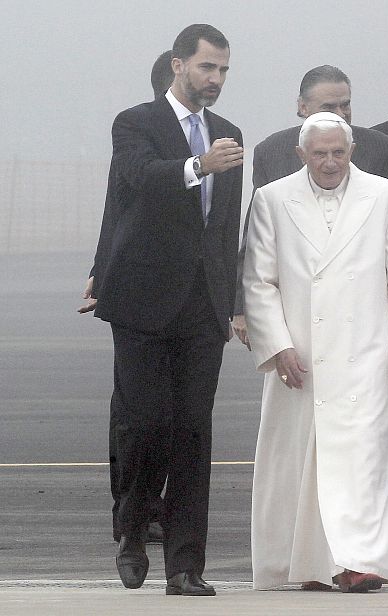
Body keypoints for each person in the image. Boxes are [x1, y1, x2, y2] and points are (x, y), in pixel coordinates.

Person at [244, 112, 388, 592]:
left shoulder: (385, 195)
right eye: (320, 154)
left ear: (352, 152)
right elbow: (259, 282)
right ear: (301, 154)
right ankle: (312, 564)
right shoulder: (272, 198)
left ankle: (359, 561)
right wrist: (277, 346)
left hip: (366, 352)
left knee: (364, 461)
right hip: (301, 356)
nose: (330, 162)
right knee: (306, 465)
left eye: (338, 153)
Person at [91, 24, 244, 595]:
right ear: (179, 65)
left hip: (203, 305)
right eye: (207, 67)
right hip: (142, 302)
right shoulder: (136, 123)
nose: (216, 78)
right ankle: (132, 530)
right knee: (146, 422)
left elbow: (224, 226)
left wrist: (231, 300)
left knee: (193, 433)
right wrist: (199, 166)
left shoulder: (229, 134)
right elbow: (136, 183)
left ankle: (185, 565)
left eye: (223, 69)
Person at [232, 65, 388, 348]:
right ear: (302, 107)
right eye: (329, 107)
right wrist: (241, 306)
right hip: (298, 305)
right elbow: (255, 235)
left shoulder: (381, 149)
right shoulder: (272, 152)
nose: (340, 114)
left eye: (345, 105)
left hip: (361, 308)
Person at [80, 49, 175, 546]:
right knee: (134, 411)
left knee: (170, 410)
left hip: (182, 296)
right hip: (137, 293)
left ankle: (150, 503)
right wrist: (102, 273)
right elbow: (115, 208)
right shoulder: (138, 135)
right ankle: (132, 505)